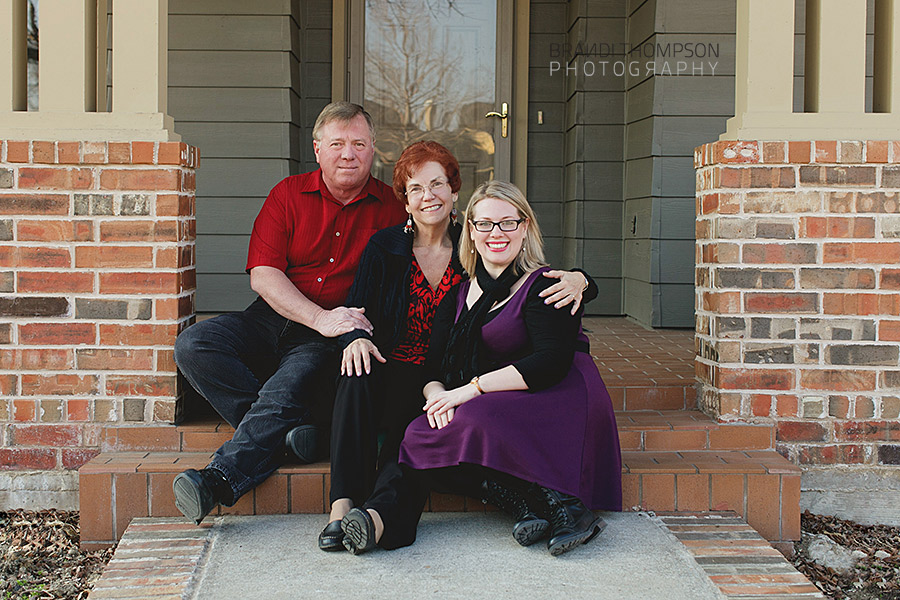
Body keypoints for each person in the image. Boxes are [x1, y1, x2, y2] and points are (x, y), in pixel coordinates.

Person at [319, 142, 597, 551]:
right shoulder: (387, 247)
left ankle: (378, 520)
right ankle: (343, 510)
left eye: (437, 184)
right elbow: (358, 312)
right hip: (405, 366)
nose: (427, 195)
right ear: (406, 201)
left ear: (454, 193)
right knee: (359, 376)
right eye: (416, 188)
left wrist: (582, 278)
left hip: (461, 376)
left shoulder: (473, 249)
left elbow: (538, 294)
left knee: (414, 436)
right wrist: (357, 339)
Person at [170, 102, 407, 524]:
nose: (347, 154)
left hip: (331, 333)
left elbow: (439, 245)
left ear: (374, 150)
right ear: (317, 149)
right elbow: (263, 275)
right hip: (275, 315)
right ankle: (293, 436)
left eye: (358, 144)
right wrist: (318, 317)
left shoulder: (392, 209)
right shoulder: (288, 194)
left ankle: (218, 480)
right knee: (194, 344)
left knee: (288, 383)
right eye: (337, 144)